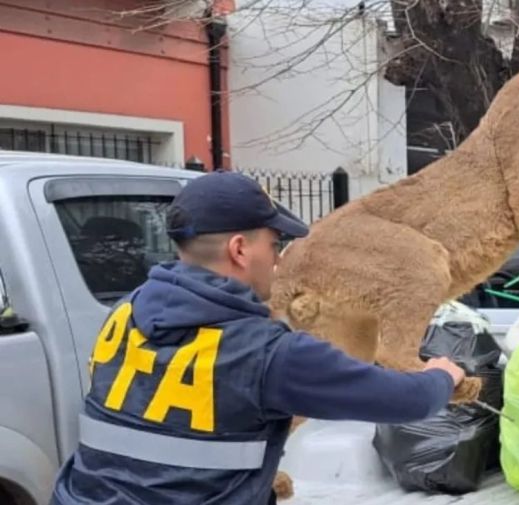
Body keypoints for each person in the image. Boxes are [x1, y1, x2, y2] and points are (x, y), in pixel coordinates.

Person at [51, 170, 466, 505]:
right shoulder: (267, 352)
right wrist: (442, 375)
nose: (280, 257)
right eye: (274, 242)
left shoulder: (125, 311)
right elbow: (403, 399)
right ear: (239, 250)